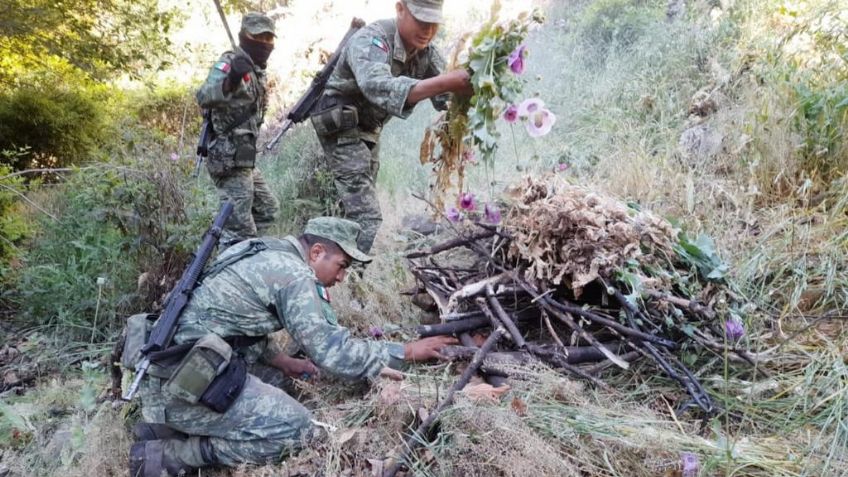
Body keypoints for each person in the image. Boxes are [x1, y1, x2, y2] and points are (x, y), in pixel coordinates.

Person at [128, 217, 457, 476]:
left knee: (282, 384)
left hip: (176, 372)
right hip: (183, 385)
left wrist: (282, 360)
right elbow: (332, 352)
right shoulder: (295, 275)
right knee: (296, 429)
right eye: (342, 265)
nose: (342, 277)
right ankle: (171, 454)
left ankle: (166, 426)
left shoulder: (262, 250)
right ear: (316, 253)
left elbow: (235, 327)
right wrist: (408, 352)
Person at [311, 0, 473, 254]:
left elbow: (445, 99)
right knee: (367, 215)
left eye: (434, 24)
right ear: (400, 9)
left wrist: (478, 84)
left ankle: (324, 257)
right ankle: (349, 276)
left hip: (367, 129)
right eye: (421, 21)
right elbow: (377, 85)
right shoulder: (373, 39)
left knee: (351, 208)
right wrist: (447, 82)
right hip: (341, 126)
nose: (428, 30)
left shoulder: (426, 52)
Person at [197, 12, 280, 246]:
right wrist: (231, 78)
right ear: (244, 36)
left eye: (268, 38)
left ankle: (248, 255)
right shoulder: (230, 62)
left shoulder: (256, 69)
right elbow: (204, 96)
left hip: (244, 160)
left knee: (268, 209)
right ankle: (232, 265)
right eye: (258, 36)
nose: (264, 43)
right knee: (239, 234)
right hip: (228, 158)